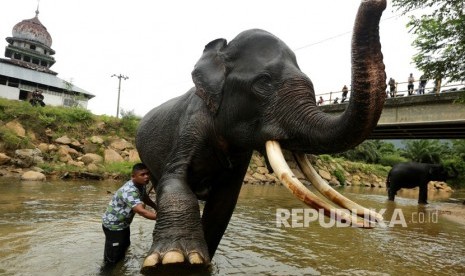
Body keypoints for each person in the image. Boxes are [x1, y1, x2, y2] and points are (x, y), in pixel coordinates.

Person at [102, 163, 157, 264]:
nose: (146, 177)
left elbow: (145, 197)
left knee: (125, 245)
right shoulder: (129, 191)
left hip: (123, 224)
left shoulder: (141, 185)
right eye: (142, 174)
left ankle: (120, 268)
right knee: (112, 258)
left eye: (148, 174)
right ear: (133, 176)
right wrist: (163, 217)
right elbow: (141, 211)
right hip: (114, 226)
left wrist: (156, 207)